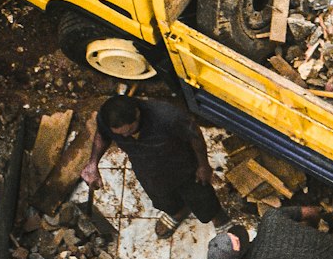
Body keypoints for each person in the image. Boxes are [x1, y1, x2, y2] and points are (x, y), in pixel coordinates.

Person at [82, 94, 227, 238]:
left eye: (129, 131)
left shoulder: (167, 116)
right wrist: (93, 164)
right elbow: (102, 135)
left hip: (182, 166)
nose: (126, 137)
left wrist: (203, 165)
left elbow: (195, 136)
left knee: (201, 197)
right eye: (120, 135)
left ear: (137, 114)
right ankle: (179, 211)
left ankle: (219, 220)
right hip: (148, 170)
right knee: (163, 198)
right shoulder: (106, 118)